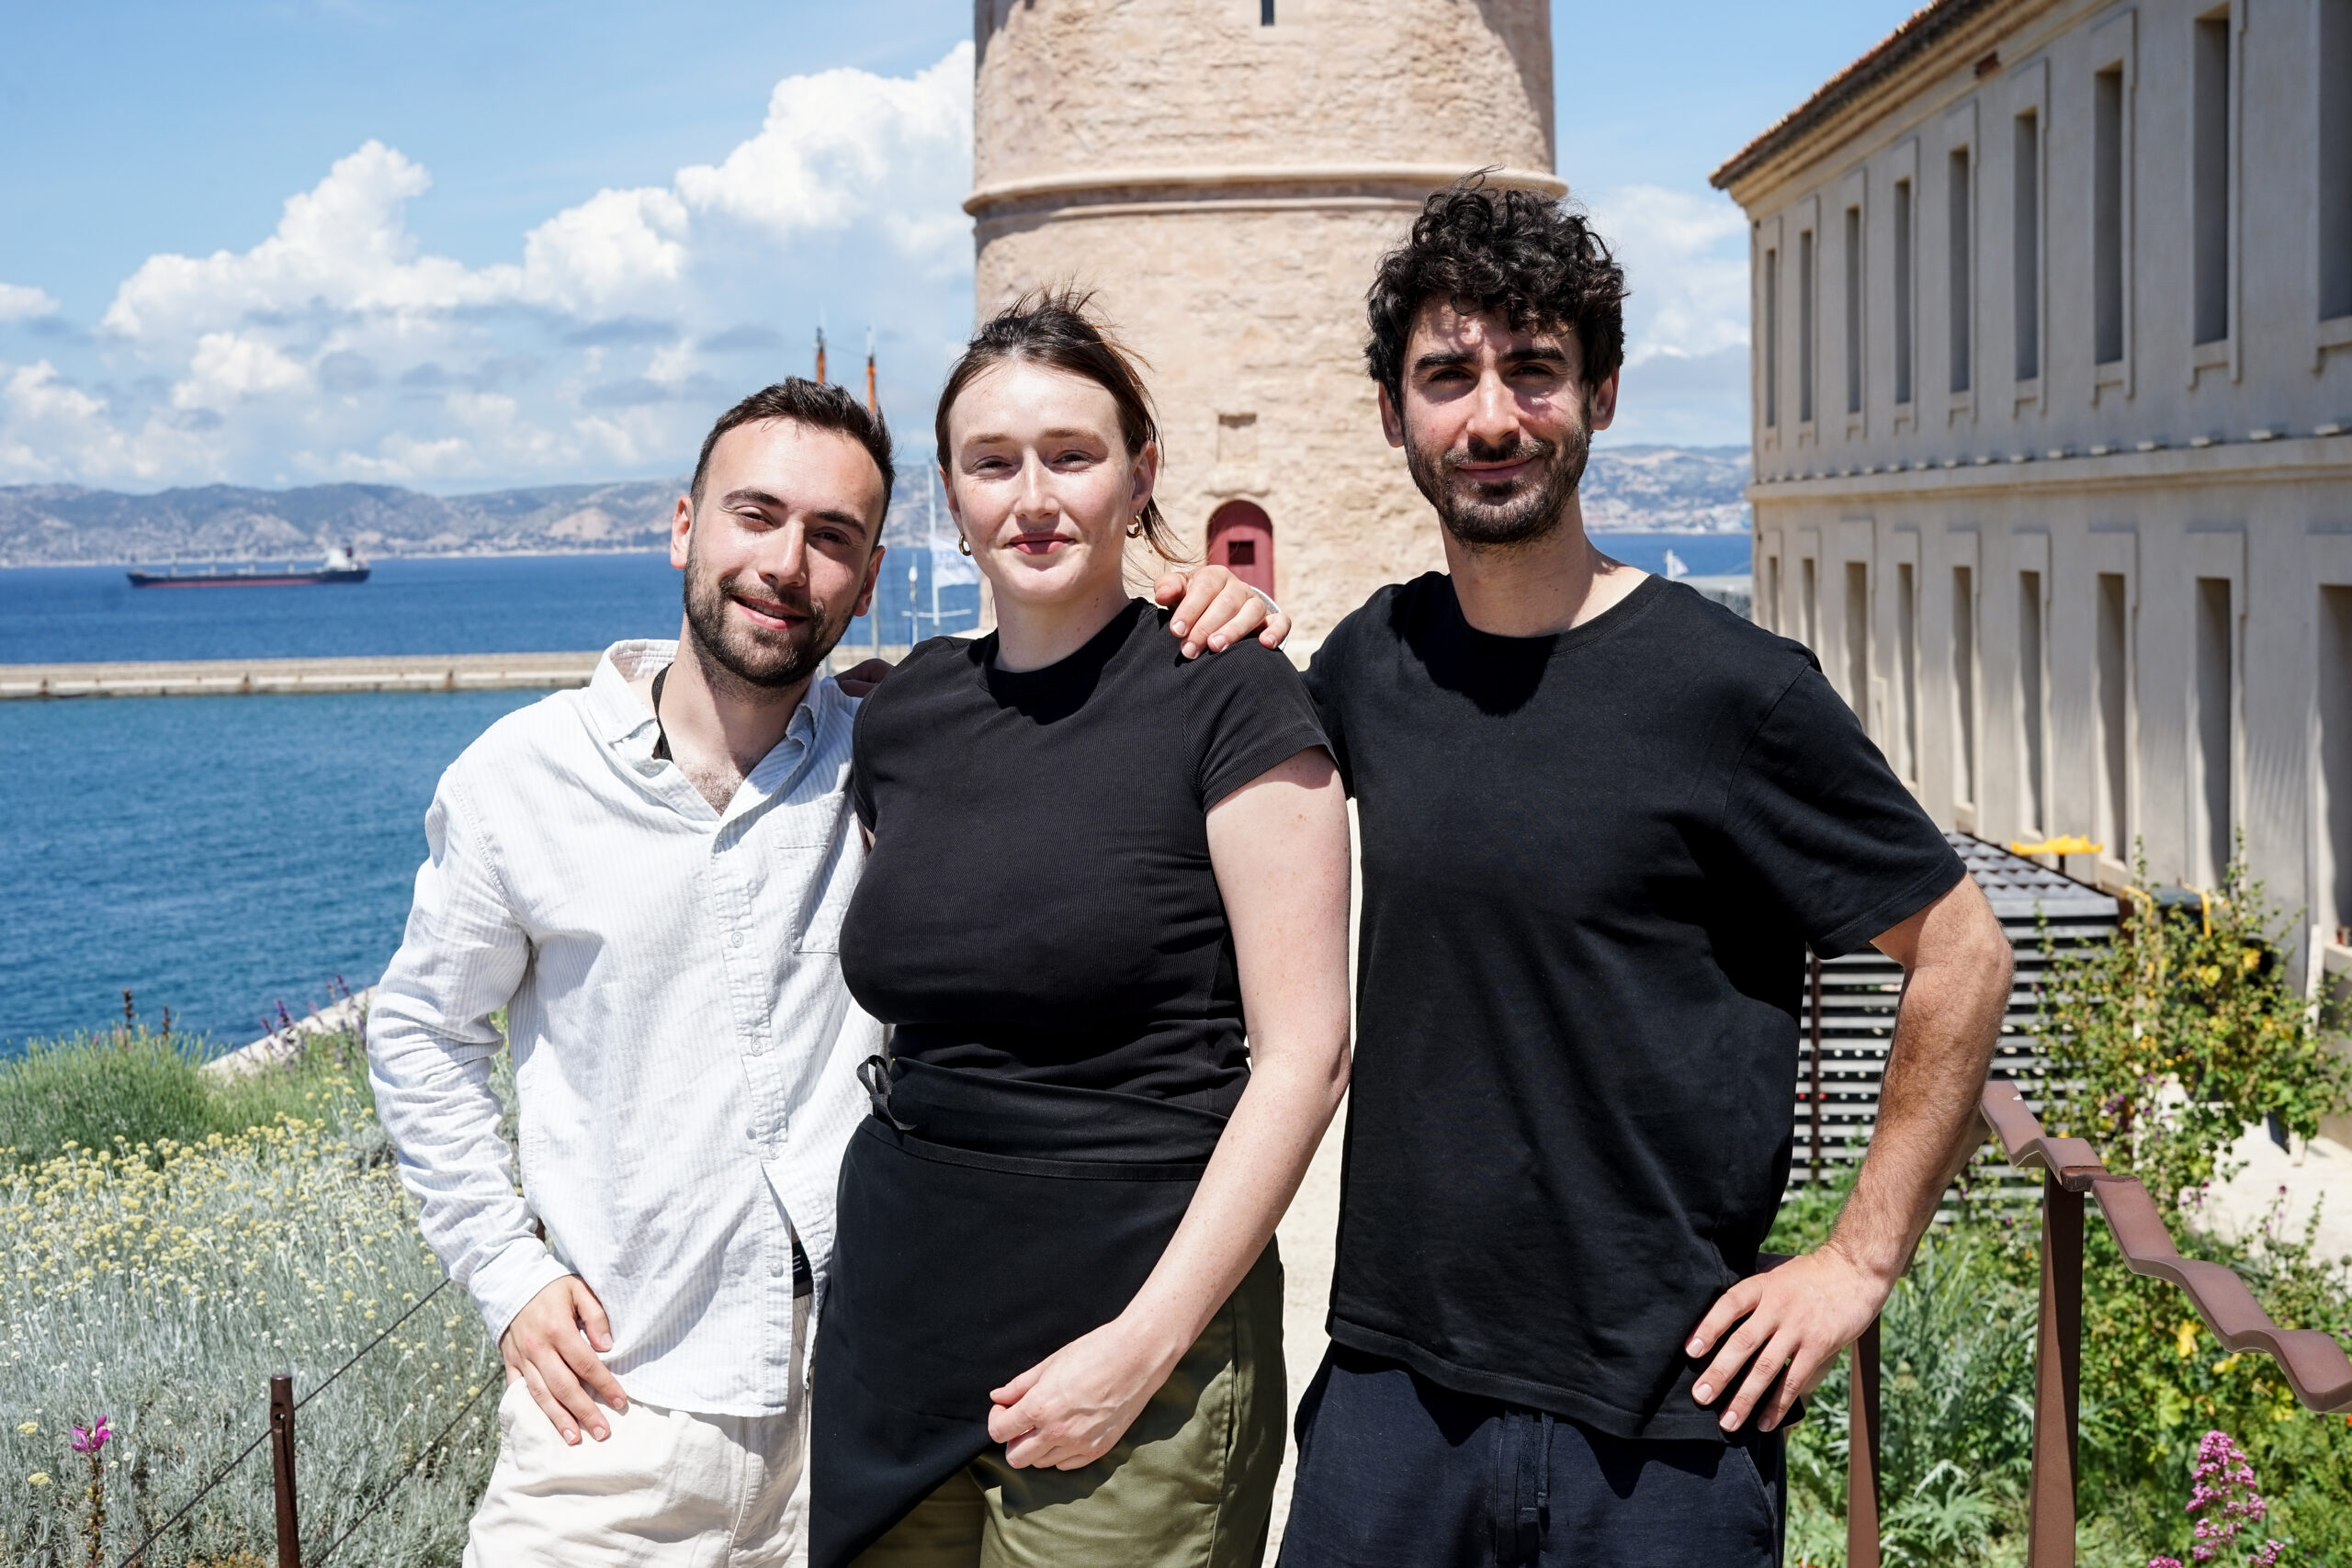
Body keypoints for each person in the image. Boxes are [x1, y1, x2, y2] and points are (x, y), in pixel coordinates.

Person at [367, 377, 1286, 1567]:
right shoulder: (521, 780)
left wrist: (1200, 602)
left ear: (868, 576)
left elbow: (1072, 719)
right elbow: (421, 1032)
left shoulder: (894, 745)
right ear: (684, 525)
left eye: (833, 537)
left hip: (854, 1406)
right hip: (617, 1412)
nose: (785, 565)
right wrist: (505, 1271)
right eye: (755, 516)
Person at [1240, 183, 2018, 1565]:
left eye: (1534, 370)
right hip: (1393, 1402)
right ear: (1393, 415)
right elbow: (1234, 814)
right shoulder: (1374, 659)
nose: (1493, 417)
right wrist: (1209, 620)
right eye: (1448, 376)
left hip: (1665, 1432)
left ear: (1599, 394)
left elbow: (1962, 950)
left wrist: (1860, 1258)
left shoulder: (1736, 693)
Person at [810, 296, 1352, 1568]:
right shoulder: (903, 716)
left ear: (1140, 475)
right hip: (901, 1329)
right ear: (952, 497)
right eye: (994, 464)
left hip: (1135, 1332)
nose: (1035, 498)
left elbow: (1308, 1056)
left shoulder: (1228, 693)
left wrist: (1146, 1345)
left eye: (1073, 455)